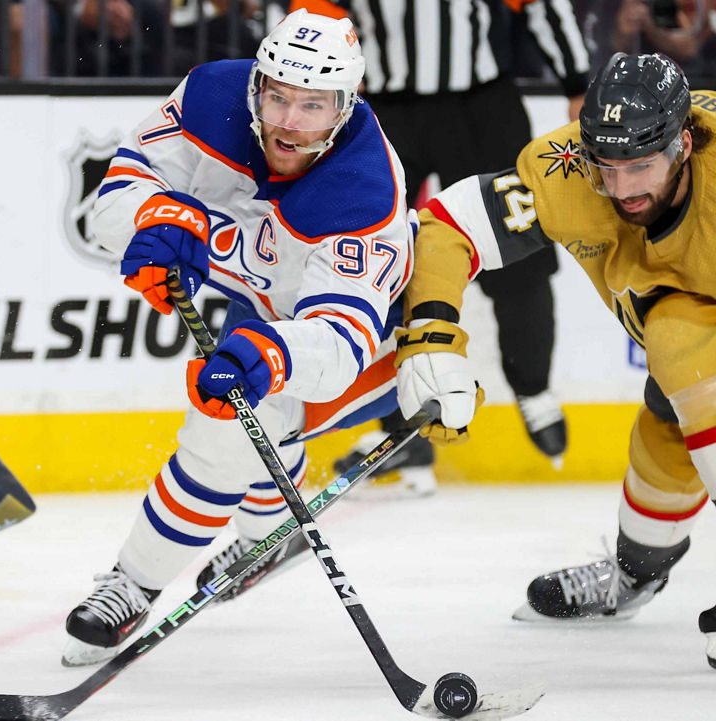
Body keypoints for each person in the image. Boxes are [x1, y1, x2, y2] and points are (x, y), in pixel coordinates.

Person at [61, 8, 415, 666]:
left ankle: (133, 583)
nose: (287, 120)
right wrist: (156, 219)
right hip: (263, 301)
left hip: (369, 337)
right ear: (256, 84)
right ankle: (274, 527)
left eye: (312, 105)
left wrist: (273, 355)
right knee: (248, 428)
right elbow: (112, 200)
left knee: (227, 427)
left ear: (347, 103)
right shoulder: (208, 96)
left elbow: (336, 349)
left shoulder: (365, 191)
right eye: (277, 95)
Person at [394, 52, 716, 667]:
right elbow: (447, 225)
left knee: (686, 358)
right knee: (671, 421)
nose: (620, 190)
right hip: (684, 322)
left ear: (685, 143)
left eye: (641, 166)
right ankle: (634, 576)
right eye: (607, 166)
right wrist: (432, 332)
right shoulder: (568, 169)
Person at [296, 0, 590, 496]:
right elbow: (319, 13)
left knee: (521, 251)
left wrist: (577, 83)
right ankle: (399, 427)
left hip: (481, 105)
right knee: (372, 263)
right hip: (383, 109)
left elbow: (541, 6)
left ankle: (532, 385)